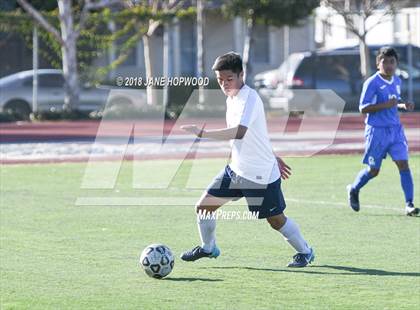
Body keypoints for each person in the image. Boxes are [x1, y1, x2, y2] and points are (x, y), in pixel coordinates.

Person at [179, 52, 314, 267]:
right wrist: (274, 155)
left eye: (229, 79)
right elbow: (257, 134)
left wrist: (202, 133)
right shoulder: (231, 97)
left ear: (242, 75)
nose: (224, 84)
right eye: (220, 80)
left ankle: (305, 252)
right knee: (203, 207)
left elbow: (240, 132)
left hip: (260, 175)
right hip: (236, 170)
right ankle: (208, 248)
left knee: (276, 220)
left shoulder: (249, 98)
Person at [347, 46, 418, 216]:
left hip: (395, 130)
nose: (388, 65)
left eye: (392, 62)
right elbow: (363, 108)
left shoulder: (397, 81)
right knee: (374, 170)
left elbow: (395, 102)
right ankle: (354, 189)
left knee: (403, 164)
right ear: (378, 63)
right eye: (384, 62)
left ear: (396, 64)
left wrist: (403, 105)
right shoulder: (372, 83)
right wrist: (385, 105)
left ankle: (409, 204)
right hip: (377, 132)